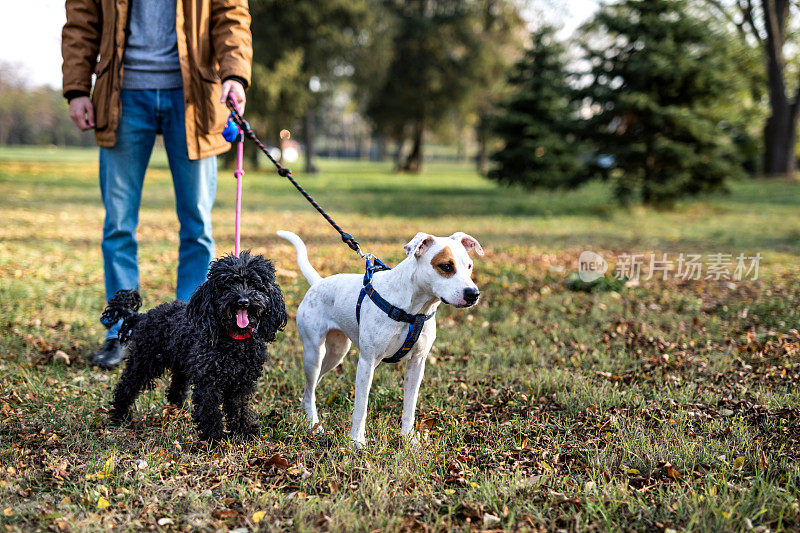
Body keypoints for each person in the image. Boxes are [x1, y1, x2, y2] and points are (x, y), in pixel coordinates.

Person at [62, 0, 252, 368]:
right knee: (118, 223)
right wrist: (77, 88)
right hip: (122, 93)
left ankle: (190, 332)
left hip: (195, 93)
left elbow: (231, 15)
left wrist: (235, 73)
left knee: (197, 224)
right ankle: (120, 330)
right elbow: (81, 21)